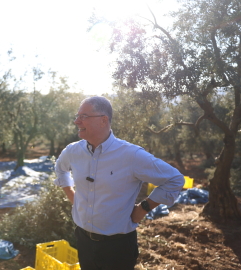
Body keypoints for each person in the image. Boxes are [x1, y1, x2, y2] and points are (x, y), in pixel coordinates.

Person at [54, 96, 185, 270]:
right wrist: (72, 197)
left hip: (118, 248)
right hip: (83, 241)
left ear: (103, 120)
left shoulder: (131, 155)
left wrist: (143, 208)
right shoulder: (73, 151)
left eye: (83, 116)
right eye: (77, 116)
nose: (77, 121)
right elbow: (60, 168)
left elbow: (175, 179)